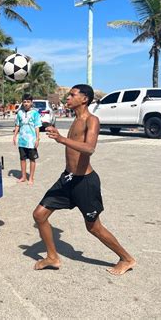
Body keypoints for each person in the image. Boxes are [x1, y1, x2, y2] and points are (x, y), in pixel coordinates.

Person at [32, 84, 136, 275]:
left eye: (72, 95)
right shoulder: (75, 119)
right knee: (39, 215)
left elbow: (89, 148)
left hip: (85, 182)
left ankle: (126, 258)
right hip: (67, 178)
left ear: (84, 99)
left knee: (94, 228)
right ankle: (52, 257)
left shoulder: (92, 120)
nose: (67, 99)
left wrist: (61, 139)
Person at [13, 94, 41, 185]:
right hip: (22, 141)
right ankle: (23, 176)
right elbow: (17, 125)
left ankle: (31, 178)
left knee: (32, 159)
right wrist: (14, 136)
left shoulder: (35, 113)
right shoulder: (19, 113)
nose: (26, 103)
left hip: (31, 141)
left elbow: (37, 127)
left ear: (31, 103)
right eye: (24, 102)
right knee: (22, 159)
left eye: (28, 102)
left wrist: (37, 139)